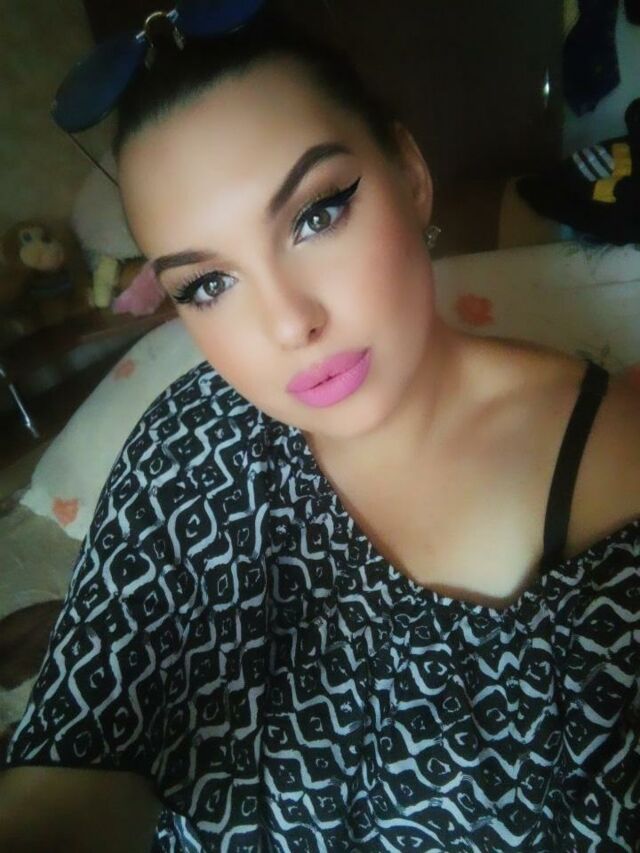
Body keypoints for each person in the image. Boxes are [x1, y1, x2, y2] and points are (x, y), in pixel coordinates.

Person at [1, 2, 640, 850]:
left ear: (410, 175)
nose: (288, 322)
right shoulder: (192, 438)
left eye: (315, 215)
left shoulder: (617, 470)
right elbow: (77, 759)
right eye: (207, 284)